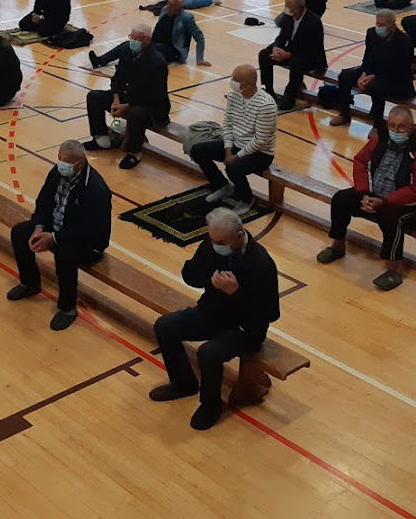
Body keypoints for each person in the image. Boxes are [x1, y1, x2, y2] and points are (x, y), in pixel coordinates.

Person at [150, 206, 280, 431]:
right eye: (213, 241)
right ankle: (183, 383)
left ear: (239, 236)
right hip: (212, 314)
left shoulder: (262, 264)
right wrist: (211, 281)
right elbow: (190, 274)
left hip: (245, 329)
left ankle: (210, 404)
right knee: (165, 326)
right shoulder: (212, 245)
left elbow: (269, 313)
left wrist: (236, 293)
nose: (216, 246)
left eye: (221, 242)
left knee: (208, 353)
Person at [317, 107, 416, 289]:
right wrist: (363, 192)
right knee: (341, 199)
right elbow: (360, 161)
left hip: (415, 209)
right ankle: (338, 245)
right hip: (377, 197)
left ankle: (395, 269)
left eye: (401, 127)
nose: (396, 131)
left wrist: (385, 201)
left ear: (412, 127)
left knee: (391, 217)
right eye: (392, 126)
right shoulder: (379, 139)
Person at [6, 140, 112, 331]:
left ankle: (67, 308)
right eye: (59, 158)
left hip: (86, 242)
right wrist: (38, 228)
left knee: (65, 254)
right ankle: (30, 283)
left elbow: (90, 229)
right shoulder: (57, 172)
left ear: (79, 164)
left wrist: (54, 238)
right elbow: (43, 202)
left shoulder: (96, 189)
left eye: (65, 161)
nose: (60, 163)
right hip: (54, 228)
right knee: (20, 232)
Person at [83, 25, 170, 169]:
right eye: (131, 37)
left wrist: (127, 106)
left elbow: (155, 95)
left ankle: (134, 152)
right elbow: (117, 79)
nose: (132, 41)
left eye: (136, 39)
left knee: (136, 113)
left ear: (147, 40)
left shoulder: (157, 62)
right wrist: (116, 99)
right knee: (94, 97)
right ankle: (102, 139)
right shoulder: (126, 51)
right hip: (125, 97)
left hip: (152, 106)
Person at [190, 64, 276, 204]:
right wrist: (228, 149)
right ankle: (222, 185)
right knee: (198, 150)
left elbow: (261, 140)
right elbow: (228, 123)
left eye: (235, 79)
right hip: (235, 145)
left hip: (260, 153)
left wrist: (237, 156)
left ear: (247, 84)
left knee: (233, 167)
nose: (232, 82)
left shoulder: (266, 105)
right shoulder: (233, 96)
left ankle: (246, 198)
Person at [328, 9, 416, 126]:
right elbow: (368, 58)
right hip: (373, 73)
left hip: (397, 80)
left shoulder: (405, 42)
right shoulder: (371, 33)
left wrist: (373, 77)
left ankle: (377, 124)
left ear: (393, 25)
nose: (379, 27)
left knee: (377, 86)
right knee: (345, 76)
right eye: (377, 23)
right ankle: (344, 114)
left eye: (382, 25)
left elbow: (400, 69)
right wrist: (364, 73)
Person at [260, 0, 327, 112]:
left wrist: (288, 55)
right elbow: (282, 36)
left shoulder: (314, 22)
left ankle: (290, 97)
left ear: (299, 9)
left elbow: (313, 49)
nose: (286, 8)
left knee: (296, 63)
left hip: (310, 56)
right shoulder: (287, 17)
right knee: (264, 54)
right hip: (293, 49)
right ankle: (268, 90)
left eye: (289, 6)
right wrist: (276, 47)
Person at [149, 0, 208, 66]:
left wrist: (200, 58)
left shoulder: (186, 18)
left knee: (152, 51)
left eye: (172, 5)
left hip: (174, 50)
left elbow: (199, 37)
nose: (169, 7)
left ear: (179, 7)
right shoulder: (164, 10)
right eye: (168, 3)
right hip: (156, 44)